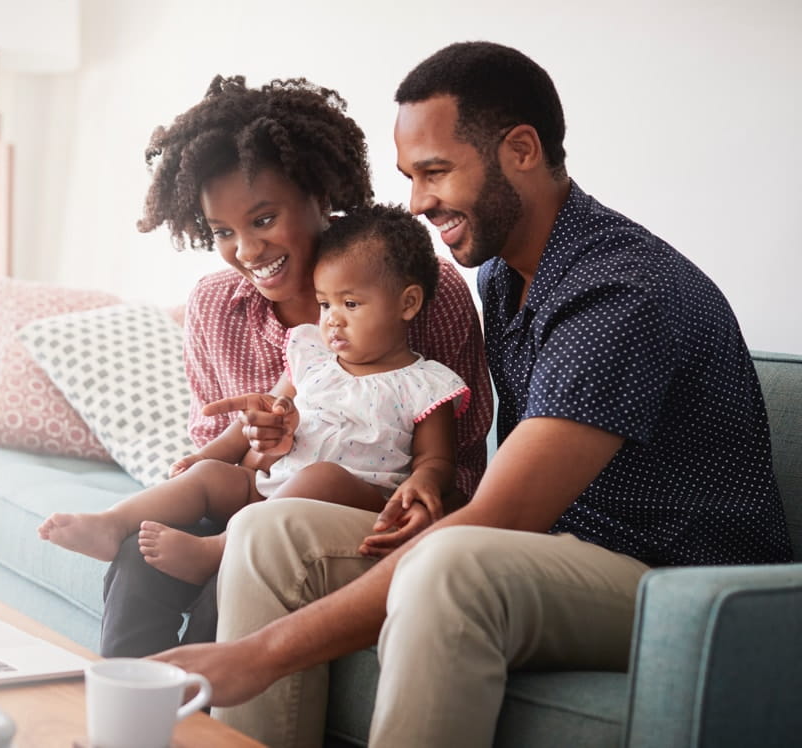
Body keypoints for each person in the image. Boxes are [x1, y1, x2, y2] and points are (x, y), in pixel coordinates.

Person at [150, 42, 794, 748]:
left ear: (520, 149)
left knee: (449, 568)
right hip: (563, 549)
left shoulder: (619, 292)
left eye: (435, 173)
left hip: (681, 583)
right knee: (270, 530)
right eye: (411, 177)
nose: (419, 202)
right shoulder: (505, 275)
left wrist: (257, 655)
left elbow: (505, 515)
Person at [92, 75, 494, 659]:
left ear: (318, 195)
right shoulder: (215, 306)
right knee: (137, 558)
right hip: (255, 498)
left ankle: (198, 723)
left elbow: (458, 471)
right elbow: (225, 466)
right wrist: (262, 447)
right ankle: (126, 715)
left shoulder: (424, 288)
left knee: (235, 581)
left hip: (354, 517)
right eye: (223, 232)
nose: (247, 251)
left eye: (262, 219)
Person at [39, 204, 470, 588]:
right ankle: (113, 523)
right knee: (209, 475)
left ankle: (219, 551)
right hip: (271, 486)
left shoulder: (426, 383)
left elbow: (436, 460)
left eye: (351, 305)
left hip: (350, 500)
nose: (333, 321)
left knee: (322, 475)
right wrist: (208, 456)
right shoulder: (311, 357)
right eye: (324, 305)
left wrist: (423, 483)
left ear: (408, 303)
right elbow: (262, 413)